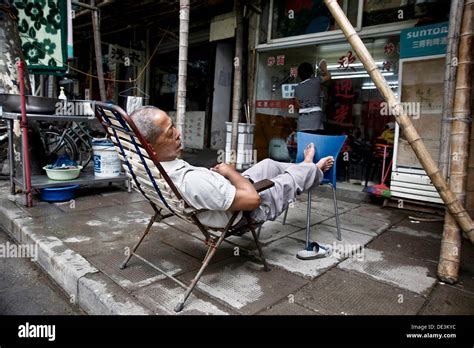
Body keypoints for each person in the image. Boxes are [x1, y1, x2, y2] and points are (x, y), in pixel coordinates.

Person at [130, 106, 334, 255]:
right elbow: (252, 200)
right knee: (287, 181)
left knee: (269, 165)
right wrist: (229, 171)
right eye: (170, 132)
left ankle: (306, 168)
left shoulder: (141, 167)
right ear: (150, 146)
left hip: (223, 194)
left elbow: (209, 190)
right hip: (247, 209)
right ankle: (313, 168)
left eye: (173, 126)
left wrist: (224, 179)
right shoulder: (190, 181)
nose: (178, 133)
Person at [294, 60, 331, 134]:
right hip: (315, 119)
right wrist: (324, 68)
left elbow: (297, 105)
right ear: (311, 72)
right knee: (316, 141)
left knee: (305, 143)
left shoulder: (297, 88)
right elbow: (328, 77)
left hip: (302, 120)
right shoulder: (316, 81)